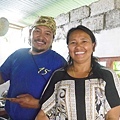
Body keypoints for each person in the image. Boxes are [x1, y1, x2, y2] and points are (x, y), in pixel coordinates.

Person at [35, 25, 120, 120]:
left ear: (93, 45)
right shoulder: (58, 76)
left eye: (84, 41)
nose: (78, 46)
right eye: (73, 42)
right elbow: (43, 115)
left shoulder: (107, 75)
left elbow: (113, 116)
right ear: (68, 48)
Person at [0, 16, 67, 120]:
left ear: (53, 38)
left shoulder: (59, 62)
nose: (41, 37)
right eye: (37, 31)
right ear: (30, 33)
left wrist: (37, 104)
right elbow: (2, 76)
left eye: (47, 33)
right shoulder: (17, 55)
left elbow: (66, 99)